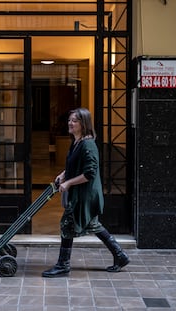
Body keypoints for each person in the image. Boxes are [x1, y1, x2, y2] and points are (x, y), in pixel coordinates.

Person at [42, 108, 130, 278]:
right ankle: (120, 256)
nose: (70, 123)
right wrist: (64, 174)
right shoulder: (77, 142)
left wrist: (68, 183)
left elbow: (89, 173)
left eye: (74, 120)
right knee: (93, 225)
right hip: (82, 194)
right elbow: (75, 166)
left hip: (85, 195)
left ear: (83, 124)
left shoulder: (88, 144)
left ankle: (63, 265)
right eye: (69, 120)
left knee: (67, 225)